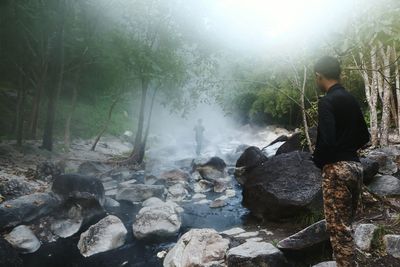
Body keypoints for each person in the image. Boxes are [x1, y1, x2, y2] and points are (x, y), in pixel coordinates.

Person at [312, 56, 370, 267]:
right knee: (346, 227)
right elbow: (365, 137)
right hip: (355, 168)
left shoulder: (327, 101)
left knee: (339, 231)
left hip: (337, 170)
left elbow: (327, 140)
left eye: (315, 77)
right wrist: (348, 149)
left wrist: (318, 160)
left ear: (319, 76)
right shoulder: (351, 99)